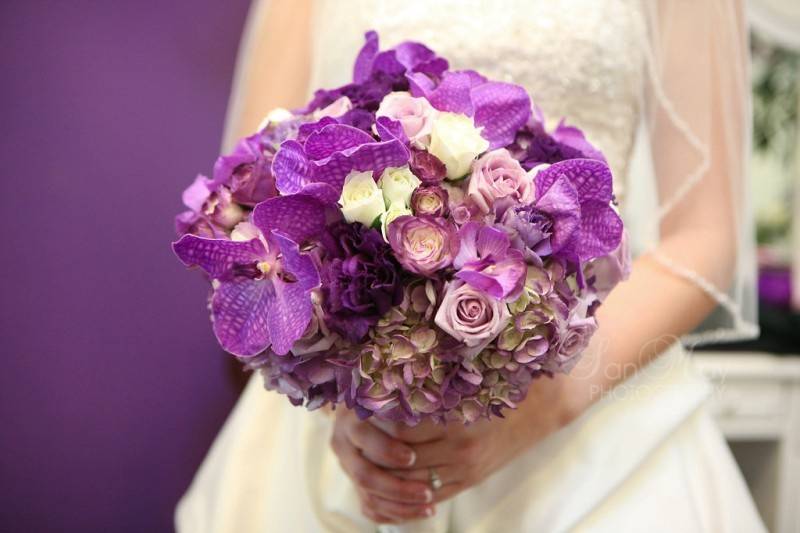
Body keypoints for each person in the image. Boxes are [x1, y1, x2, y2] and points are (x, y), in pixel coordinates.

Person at [176, 1, 764, 531]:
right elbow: (257, 193)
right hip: (343, 420)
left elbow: (705, 237)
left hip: (590, 414)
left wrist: (534, 415)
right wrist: (351, 399)